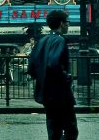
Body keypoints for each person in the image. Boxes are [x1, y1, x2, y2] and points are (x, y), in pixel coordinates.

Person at [28, 10, 78, 140]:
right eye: (67, 22)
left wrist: (42, 78)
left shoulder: (41, 41)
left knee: (53, 131)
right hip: (60, 93)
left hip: (45, 93)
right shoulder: (60, 40)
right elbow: (53, 63)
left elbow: (31, 67)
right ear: (61, 23)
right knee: (70, 130)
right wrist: (66, 77)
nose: (68, 25)